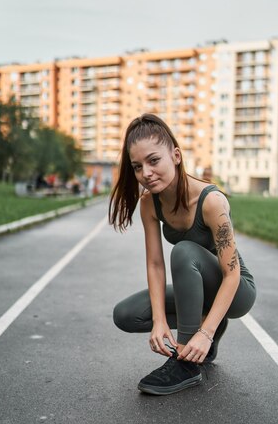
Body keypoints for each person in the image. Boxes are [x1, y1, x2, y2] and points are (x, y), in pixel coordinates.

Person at [109, 114, 256, 395]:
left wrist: (204, 333)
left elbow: (232, 273)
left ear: (175, 156)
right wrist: (160, 321)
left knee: (184, 250)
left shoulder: (211, 202)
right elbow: (154, 264)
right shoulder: (149, 204)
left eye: (154, 161)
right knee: (126, 315)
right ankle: (202, 333)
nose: (146, 173)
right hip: (198, 288)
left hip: (237, 290)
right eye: (137, 167)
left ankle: (186, 362)